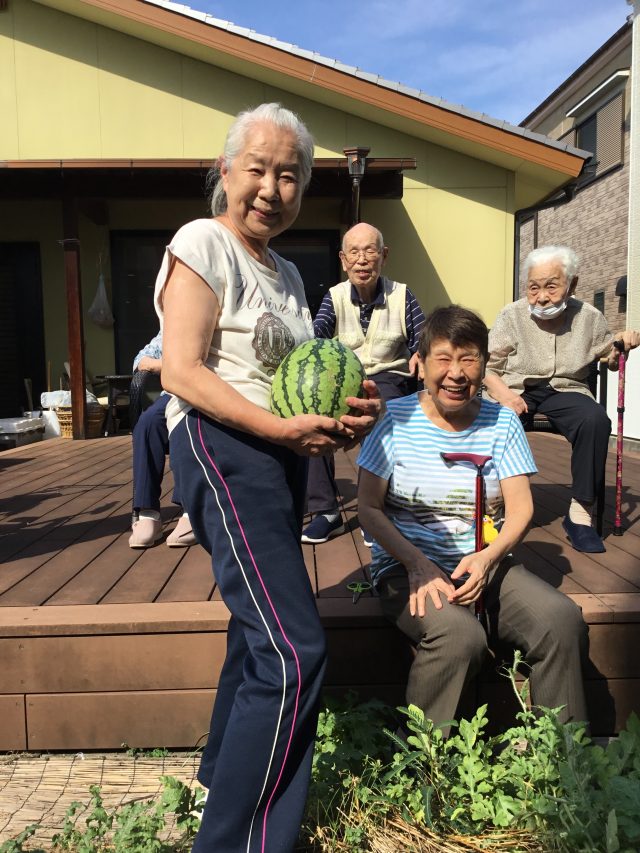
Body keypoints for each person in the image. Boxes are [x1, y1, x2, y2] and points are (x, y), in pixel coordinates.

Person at [154, 103, 381, 853]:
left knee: (257, 639)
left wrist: (349, 414)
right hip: (224, 444)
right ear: (226, 171)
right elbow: (182, 370)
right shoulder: (203, 241)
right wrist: (281, 429)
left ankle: (222, 779)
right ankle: (237, 841)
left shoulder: (285, 272)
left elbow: (296, 379)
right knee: (294, 652)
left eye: (290, 175)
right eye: (258, 168)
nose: (272, 188)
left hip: (275, 451)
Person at [357, 305, 589, 732]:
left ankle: (564, 764)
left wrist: (489, 558)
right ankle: (423, 767)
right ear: (420, 364)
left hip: (483, 561)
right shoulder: (393, 418)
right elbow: (368, 507)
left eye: (469, 359)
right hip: (407, 565)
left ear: (484, 365)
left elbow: (521, 509)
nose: (456, 373)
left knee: (560, 620)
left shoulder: (502, 421)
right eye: (443, 358)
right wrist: (415, 563)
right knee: (460, 636)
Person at [483, 245, 640, 553]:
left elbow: (608, 355)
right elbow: (487, 368)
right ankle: (493, 505)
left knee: (594, 419)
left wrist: (621, 343)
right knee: (495, 420)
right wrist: (504, 397)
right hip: (516, 386)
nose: (541, 297)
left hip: (567, 390)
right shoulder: (511, 315)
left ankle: (580, 515)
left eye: (551, 287)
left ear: (573, 285)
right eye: (534, 288)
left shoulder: (590, 317)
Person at [301, 222, 426, 545]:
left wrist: (422, 354)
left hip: (389, 377)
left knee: (381, 416)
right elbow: (318, 334)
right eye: (354, 252)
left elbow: (423, 339)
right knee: (317, 418)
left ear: (383, 256)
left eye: (370, 251)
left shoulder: (402, 295)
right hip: (345, 378)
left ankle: (376, 511)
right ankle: (326, 511)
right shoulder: (334, 296)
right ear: (343, 260)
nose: (362, 259)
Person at [128, 331, 196, 549]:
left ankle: (191, 510)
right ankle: (148, 512)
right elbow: (141, 360)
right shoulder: (171, 324)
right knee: (148, 423)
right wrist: (167, 366)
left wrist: (168, 366)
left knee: (185, 422)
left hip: (204, 391)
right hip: (174, 392)